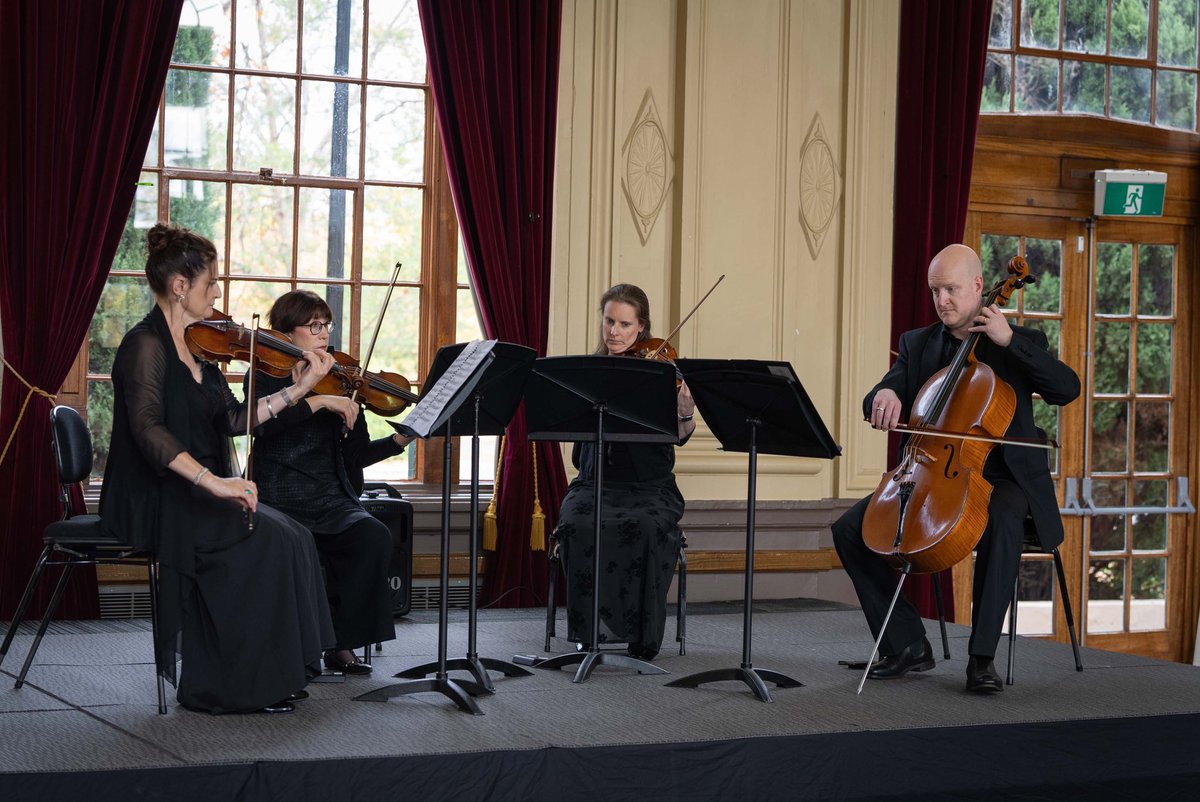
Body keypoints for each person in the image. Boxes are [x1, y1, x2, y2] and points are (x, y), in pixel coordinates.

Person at [99, 223, 336, 714]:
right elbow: (147, 431)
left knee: (293, 533)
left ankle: (278, 674)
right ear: (180, 287)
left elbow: (232, 419)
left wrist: (299, 388)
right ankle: (225, 687)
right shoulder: (145, 345)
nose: (218, 292)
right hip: (152, 492)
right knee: (262, 537)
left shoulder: (203, 351)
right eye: (211, 282)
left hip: (195, 488)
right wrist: (215, 481)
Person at [832, 244, 1080, 693]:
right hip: (936, 472)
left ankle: (981, 658)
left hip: (1007, 477)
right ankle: (905, 644)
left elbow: (1067, 389)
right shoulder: (918, 343)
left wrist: (1009, 343)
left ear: (979, 287)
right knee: (849, 529)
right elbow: (886, 392)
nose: (942, 299)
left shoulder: (1019, 341)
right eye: (935, 291)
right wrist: (882, 397)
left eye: (951, 289)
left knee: (1002, 517)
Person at [248, 290, 411, 675]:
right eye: (314, 326)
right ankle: (301, 646)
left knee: (371, 535)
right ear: (286, 335)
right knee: (301, 544)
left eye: (327, 325)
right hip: (279, 493)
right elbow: (263, 429)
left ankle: (341, 642)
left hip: (331, 496)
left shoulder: (342, 382)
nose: (324, 335)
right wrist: (314, 399)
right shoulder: (266, 376)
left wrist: (397, 442)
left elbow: (355, 457)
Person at [554, 284, 696, 660]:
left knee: (649, 529)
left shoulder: (662, 374)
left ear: (641, 328)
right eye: (609, 321)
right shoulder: (586, 373)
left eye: (624, 324)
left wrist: (684, 410)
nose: (614, 331)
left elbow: (680, 436)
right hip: (593, 485)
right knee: (578, 525)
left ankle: (642, 639)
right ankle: (589, 633)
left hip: (651, 489)